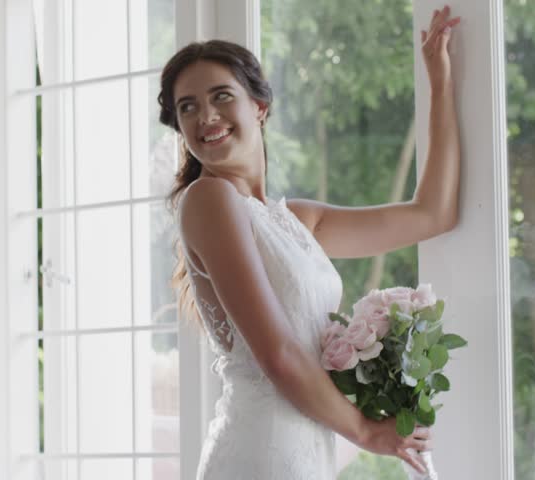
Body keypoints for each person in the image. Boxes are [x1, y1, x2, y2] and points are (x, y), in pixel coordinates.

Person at [160, 6, 461, 478]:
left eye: (221, 96)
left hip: (304, 452)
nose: (206, 116)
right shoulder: (208, 199)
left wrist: (439, 81)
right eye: (188, 107)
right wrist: (364, 432)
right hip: (259, 454)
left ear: (259, 107)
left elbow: (432, 215)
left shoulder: (298, 219)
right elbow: (278, 353)